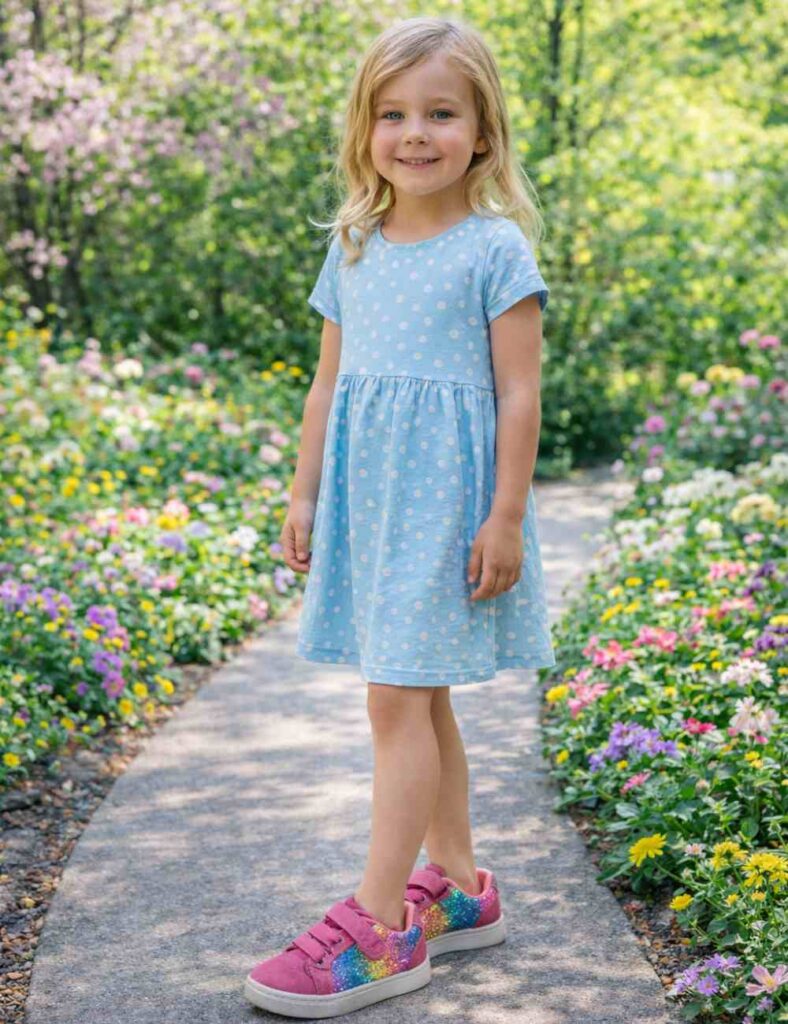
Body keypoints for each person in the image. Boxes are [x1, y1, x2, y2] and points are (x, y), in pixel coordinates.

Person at [244, 14, 556, 1018]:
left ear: (482, 131)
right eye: (391, 113)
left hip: (449, 504)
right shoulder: (354, 242)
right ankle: (458, 884)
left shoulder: (492, 248)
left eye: (438, 112)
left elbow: (518, 393)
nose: (413, 133)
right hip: (370, 503)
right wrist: (303, 492)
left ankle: (380, 922)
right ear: (363, 127)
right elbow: (326, 387)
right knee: (417, 699)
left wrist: (503, 516)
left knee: (393, 700)